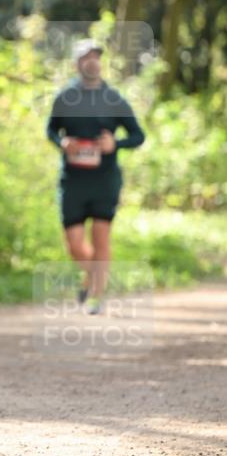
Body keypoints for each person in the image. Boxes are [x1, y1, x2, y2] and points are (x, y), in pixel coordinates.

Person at [46, 39, 145, 315]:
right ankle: (92, 277)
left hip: (105, 180)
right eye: (86, 57)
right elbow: (51, 130)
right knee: (75, 244)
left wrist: (116, 144)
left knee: (101, 238)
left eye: (96, 57)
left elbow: (138, 135)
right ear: (78, 63)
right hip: (73, 181)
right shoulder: (65, 98)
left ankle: (96, 296)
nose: (92, 61)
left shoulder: (114, 99)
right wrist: (62, 144)